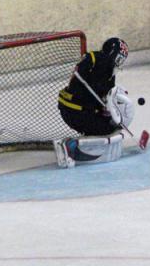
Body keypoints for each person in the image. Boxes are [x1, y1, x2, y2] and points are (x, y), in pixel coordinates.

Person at [53, 37, 135, 168]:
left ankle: (84, 144)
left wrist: (107, 108)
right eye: (119, 58)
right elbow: (83, 76)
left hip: (79, 109)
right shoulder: (95, 59)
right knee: (106, 129)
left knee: (108, 124)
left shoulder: (108, 71)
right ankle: (70, 145)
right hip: (75, 109)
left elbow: (105, 95)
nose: (119, 63)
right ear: (113, 54)